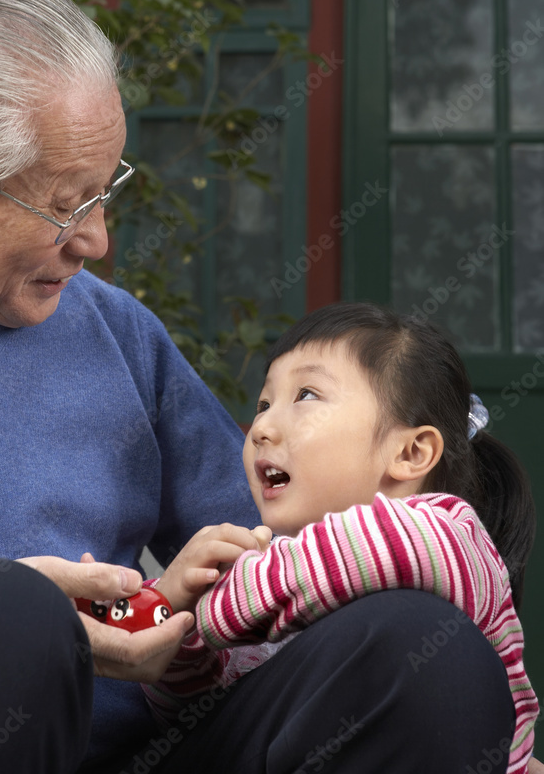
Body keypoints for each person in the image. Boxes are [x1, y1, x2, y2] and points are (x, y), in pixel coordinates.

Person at [0, 0, 535, 774]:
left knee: (419, 650)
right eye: (62, 206)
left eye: (105, 192)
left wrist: (161, 603)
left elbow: (263, 556)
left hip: (147, 753)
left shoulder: (115, 332)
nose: (96, 241)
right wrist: (0, 616)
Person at [143, 303, 539, 774]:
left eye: (306, 395)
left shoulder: (449, 536)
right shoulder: (277, 568)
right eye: (264, 405)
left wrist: (218, 600)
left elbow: (368, 548)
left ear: (411, 452)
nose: (262, 428)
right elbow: (195, 717)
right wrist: (178, 624)